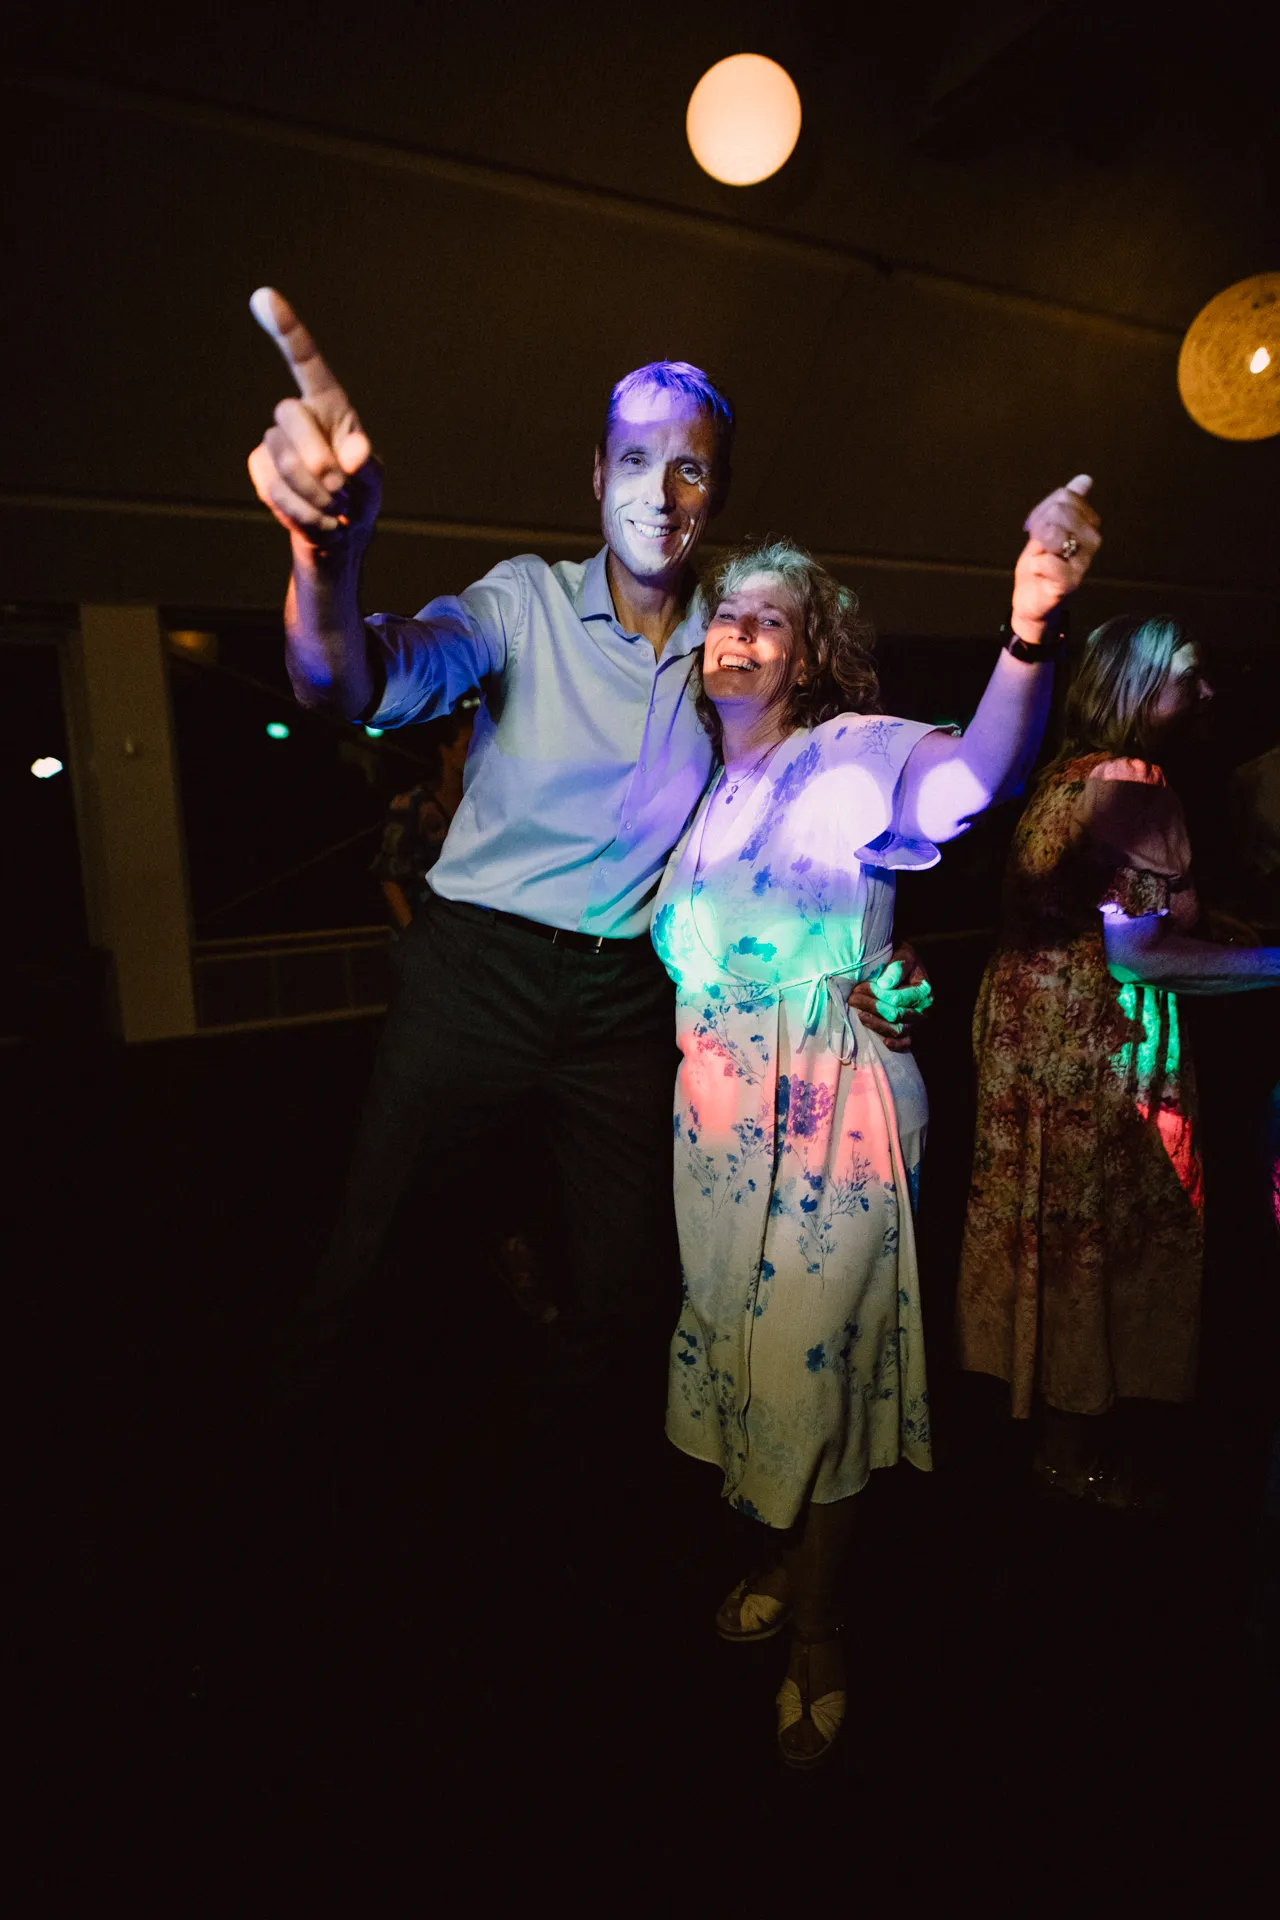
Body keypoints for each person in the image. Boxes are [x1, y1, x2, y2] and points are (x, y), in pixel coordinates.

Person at [245, 288, 921, 1420]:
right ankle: (293, 1453)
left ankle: (570, 1484)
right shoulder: (523, 603)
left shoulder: (731, 646)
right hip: (475, 974)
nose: (660, 492)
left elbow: (796, 799)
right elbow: (348, 681)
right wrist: (324, 555)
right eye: (636, 461)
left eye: (689, 468)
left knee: (628, 1281)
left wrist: (868, 953)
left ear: (715, 494)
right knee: (375, 1248)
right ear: (597, 476)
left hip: (623, 1000)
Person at [649, 476, 1102, 1766]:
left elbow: (970, 779)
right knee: (750, 1367)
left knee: (817, 1378)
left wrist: (1026, 634)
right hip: (713, 1142)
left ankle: (818, 1628)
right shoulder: (699, 801)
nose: (738, 631)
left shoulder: (846, 753)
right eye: (725, 613)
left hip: (829, 1127)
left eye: (770, 619)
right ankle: (786, 1561)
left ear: (807, 659)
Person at [956, 617, 1280, 1505]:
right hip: (1099, 1044)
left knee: (1052, 1235)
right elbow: (1142, 956)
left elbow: (1103, 906)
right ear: (1138, 687)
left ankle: (1048, 1435)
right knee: (1095, 1238)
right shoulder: (1137, 780)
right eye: (1189, 676)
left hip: (1032, 1032)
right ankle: (1073, 1450)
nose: (1207, 692)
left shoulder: (1070, 773)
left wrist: (1213, 928)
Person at [372, 706, 476, 931]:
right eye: (467, 746)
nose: (475, 754)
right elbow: (390, 878)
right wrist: (412, 932)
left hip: (463, 932)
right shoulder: (413, 805)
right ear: (446, 752)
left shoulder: (478, 806)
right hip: (425, 927)